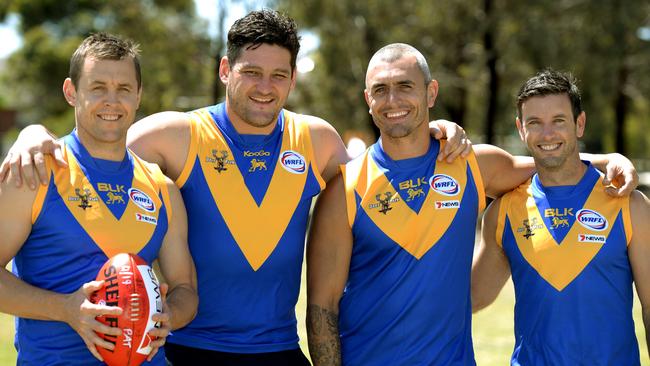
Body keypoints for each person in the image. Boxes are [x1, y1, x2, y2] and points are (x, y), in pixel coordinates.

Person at [0, 10, 472, 366]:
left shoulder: (316, 140)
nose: (264, 87)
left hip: (280, 349)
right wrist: (33, 133)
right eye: (251, 72)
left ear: (292, 79)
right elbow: (99, 141)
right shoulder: (175, 134)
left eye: (278, 75)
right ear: (226, 70)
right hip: (185, 348)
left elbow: (381, 183)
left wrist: (437, 129)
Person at [304, 44, 639, 366]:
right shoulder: (344, 190)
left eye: (405, 86)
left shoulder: (474, 166)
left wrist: (604, 159)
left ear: (430, 93)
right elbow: (322, 308)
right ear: (368, 99)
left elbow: (551, 160)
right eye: (380, 89)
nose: (393, 100)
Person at [0, 33, 198, 365]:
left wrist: (169, 316)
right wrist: (65, 309)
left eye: (123, 89)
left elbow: (185, 289)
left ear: (138, 96)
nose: (112, 101)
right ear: (71, 92)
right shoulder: (34, 172)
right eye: (97, 87)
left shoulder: (162, 188)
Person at [471, 70, 650, 365]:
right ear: (521, 129)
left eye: (558, 121)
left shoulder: (629, 204)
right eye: (535, 123)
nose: (548, 134)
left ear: (579, 124)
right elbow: (473, 298)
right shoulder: (502, 213)